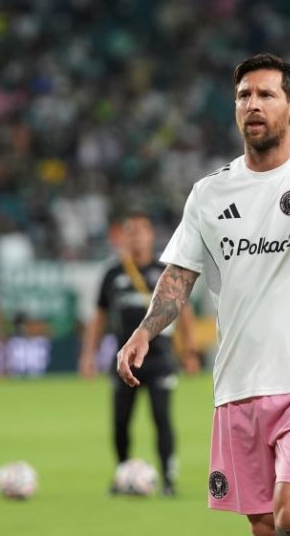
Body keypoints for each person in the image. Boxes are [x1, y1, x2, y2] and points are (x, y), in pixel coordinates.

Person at [117, 45, 290, 536]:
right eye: (244, 96)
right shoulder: (209, 193)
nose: (253, 104)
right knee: (264, 526)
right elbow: (180, 275)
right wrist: (144, 331)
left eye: (266, 95)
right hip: (238, 385)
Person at [79, 210, 199, 497]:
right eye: (130, 232)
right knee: (121, 421)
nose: (136, 237)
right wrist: (88, 355)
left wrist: (189, 351)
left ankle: (168, 479)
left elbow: (184, 312)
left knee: (161, 417)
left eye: (141, 231)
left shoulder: (164, 271)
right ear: (122, 237)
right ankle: (122, 474)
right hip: (125, 359)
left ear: (150, 235)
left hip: (159, 358)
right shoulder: (112, 274)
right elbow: (99, 317)